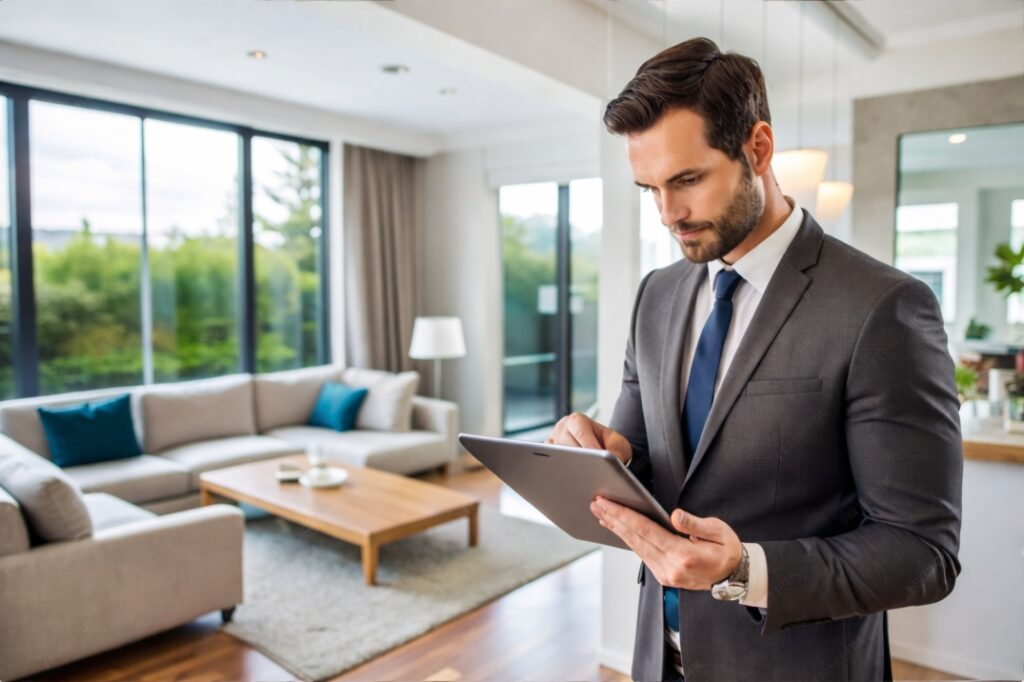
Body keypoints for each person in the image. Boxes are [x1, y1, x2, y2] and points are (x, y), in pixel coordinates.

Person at [546, 37, 962, 682]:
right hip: (661, 656)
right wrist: (599, 455)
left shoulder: (883, 307)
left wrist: (745, 572)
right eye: (649, 188)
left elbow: (923, 553)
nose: (668, 214)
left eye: (687, 180)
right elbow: (648, 465)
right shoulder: (656, 295)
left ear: (758, 149)